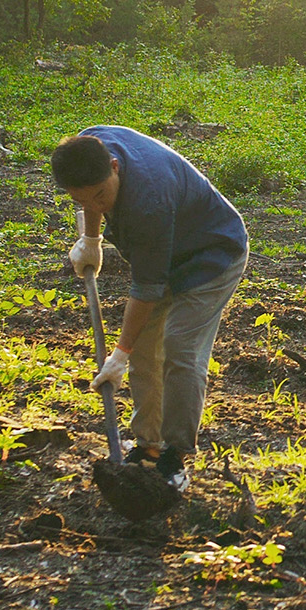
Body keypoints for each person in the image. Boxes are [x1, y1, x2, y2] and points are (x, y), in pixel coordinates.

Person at [51, 127, 248, 494]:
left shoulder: (148, 201)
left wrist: (118, 355)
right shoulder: (87, 146)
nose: (95, 206)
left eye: (100, 196)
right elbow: (93, 199)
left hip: (213, 255)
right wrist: (91, 239)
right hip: (167, 251)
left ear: (114, 166)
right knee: (144, 349)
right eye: (82, 202)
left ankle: (174, 455)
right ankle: (148, 447)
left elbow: (147, 288)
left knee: (179, 348)